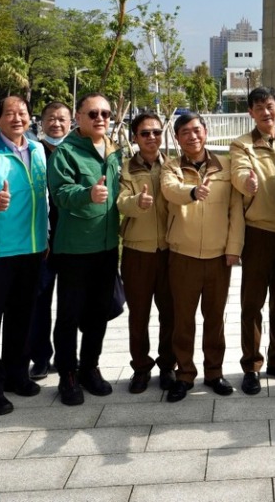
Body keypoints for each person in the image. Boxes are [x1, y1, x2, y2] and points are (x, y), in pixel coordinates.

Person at [0, 96, 51, 415]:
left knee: (22, 318)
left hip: (32, 248)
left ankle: (16, 375)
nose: (17, 118)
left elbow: (41, 195)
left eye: (22, 113)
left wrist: (43, 235)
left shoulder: (37, 150)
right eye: (10, 114)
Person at [161, 112, 245, 402]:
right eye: (185, 132)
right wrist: (193, 191)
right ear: (177, 138)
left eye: (197, 130)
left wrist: (234, 248)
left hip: (218, 257)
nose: (192, 136)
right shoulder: (170, 168)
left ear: (206, 132)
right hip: (182, 255)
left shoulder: (226, 166)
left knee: (215, 319)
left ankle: (214, 372)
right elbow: (171, 192)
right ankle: (184, 374)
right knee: (183, 319)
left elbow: (236, 211)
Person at [46, 93, 121, 405]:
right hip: (75, 247)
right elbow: (60, 193)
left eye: (105, 113)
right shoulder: (66, 152)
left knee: (98, 313)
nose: (100, 118)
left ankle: (90, 367)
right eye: (93, 113)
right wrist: (87, 193)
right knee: (69, 314)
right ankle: (68, 374)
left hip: (106, 245)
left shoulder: (114, 151)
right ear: (78, 117)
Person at [229, 87, 275, 395]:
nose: (265, 112)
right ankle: (251, 365)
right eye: (259, 108)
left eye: (270, 106)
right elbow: (239, 175)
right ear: (251, 114)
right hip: (258, 233)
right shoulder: (242, 145)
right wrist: (248, 182)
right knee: (252, 303)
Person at [117, 111, 175, 393]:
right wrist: (136, 203)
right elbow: (121, 202)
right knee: (138, 314)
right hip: (137, 251)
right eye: (144, 133)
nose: (151, 137)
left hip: (169, 251)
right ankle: (140, 367)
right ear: (135, 137)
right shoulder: (127, 168)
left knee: (170, 313)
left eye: (156, 132)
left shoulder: (173, 167)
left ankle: (168, 367)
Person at [28, 101, 73, 381]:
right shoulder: (33, 152)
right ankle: (40, 357)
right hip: (41, 239)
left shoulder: (76, 150)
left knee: (69, 302)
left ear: (72, 122)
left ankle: (68, 356)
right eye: (51, 119)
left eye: (61, 119)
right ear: (41, 123)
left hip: (70, 238)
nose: (56, 124)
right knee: (39, 300)